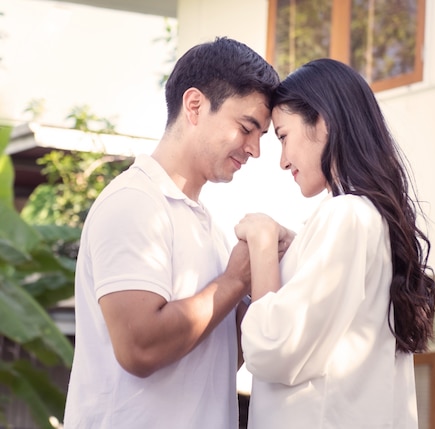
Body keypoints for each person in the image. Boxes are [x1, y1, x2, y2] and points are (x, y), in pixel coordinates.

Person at [63, 37, 280, 429]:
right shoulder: (134, 202)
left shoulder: (208, 227)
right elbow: (140, 348)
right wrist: (233, 281)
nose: (255, 150)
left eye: (261, 136)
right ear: (194, 105)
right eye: (247, 128)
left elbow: (215, 359)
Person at [234, 58, 435, 428]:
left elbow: (273, 348)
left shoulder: (348, 215)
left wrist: (263, 244)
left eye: (283, 136)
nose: (281, 161)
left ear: (322, 122)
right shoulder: (363, 217)